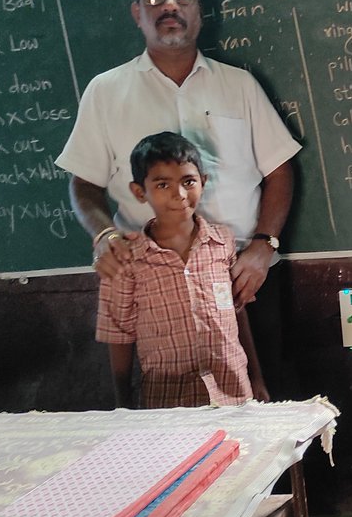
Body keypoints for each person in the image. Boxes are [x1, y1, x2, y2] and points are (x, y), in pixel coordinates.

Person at [56, 0, 301, 396]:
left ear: (198, 11)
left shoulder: (239, 86)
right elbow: (83, 184)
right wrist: (104, 236)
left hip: (244, 275)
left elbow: (280, 171)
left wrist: (264, 246)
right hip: (151, 283)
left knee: (267, 407)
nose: (169, 5)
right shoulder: (106, 92)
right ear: (137, 12)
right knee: (165, 414)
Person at [98, 131, 268, 408]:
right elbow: (119, 334)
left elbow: (238, 310)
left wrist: (256, 378)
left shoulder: (222, 242)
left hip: (234, 392)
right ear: (140, 192)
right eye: (163, 185)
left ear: (203, 182)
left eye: (188, 182)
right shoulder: (127, 260)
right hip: (167, 401)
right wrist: (123, 404)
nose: (179, 194)